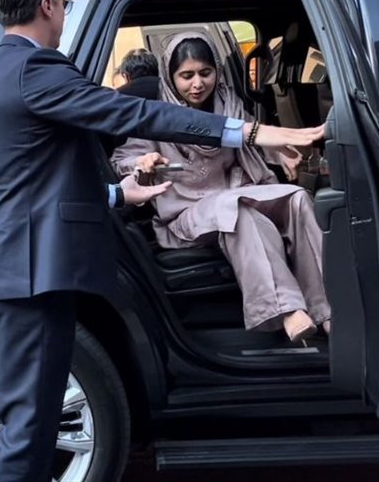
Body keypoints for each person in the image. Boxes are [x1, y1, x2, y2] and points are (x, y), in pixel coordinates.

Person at [0, 0, 325, 482]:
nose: (63, 11)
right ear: (47, 5)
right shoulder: (34, 69)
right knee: (25, 439)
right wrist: (252, 133)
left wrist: (116, 193)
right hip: (27, 279)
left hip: (13, 273)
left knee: (31, 431)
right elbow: (138, 114)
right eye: (63, 2)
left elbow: (27, 178)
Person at [111, 31, 332, 345]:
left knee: (296, 198)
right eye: (186, 76)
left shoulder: (229, 105)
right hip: (186, 212)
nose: (197, 84)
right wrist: (144, 162)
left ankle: (327, 309)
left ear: (217, 71)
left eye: (205, 73)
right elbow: (125, 159)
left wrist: (283, 150)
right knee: (238, 211)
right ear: (170, 78)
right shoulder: (156, 115)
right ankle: (286, 309)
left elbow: (255, 141)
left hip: (235, 194)